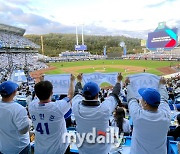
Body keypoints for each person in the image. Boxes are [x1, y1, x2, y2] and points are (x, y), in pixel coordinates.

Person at [72, 73, 123, 154]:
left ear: (83, 94)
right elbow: (115, 94)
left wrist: (79, 81)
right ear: (97, 94)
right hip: (102, 151)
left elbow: (76, 93)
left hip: (83, 150)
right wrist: (118, 81)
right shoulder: (104, 109)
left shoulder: (76, 106)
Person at [28, 74, 75, 154]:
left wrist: (41, 82)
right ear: (52, 92)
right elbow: (70, 96)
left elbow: (36, 96)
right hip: (59, 150)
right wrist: (72, 81)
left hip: (40, 149)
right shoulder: (57, 107)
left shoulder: (31, 106)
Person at [125, 77, 171, 154]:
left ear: (145, 103)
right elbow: (164, 99)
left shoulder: (138, 115)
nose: (140, 100)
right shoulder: (166, 115)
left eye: (142, 99)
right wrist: (162, 85)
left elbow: (131, 99)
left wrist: (128, 84)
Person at [0, 81, 30, 154]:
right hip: (19, 147)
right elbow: (23, 130)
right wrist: (29, 121)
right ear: (14, 92)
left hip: (3, 147)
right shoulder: (18, 109)